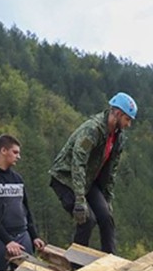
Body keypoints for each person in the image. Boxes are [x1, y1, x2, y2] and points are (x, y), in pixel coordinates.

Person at [48, 92, 137, 254]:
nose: (128, 124)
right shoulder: (92, 129)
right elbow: (78, 163)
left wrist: (107, 200)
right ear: (117, 114)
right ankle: (75, 263)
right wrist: (80, 200)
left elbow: (111, 172)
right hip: (65, 179)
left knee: (106, 219)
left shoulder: (118, 138)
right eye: (127, 119)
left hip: (88, 181)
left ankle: (110, 261)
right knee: (87, 219)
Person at [0, 134, 45, 271]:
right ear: (3, 151)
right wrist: (7, 241)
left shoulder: (17, 178)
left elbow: (26, 209)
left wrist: (34, 236)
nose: (18, 156)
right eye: (15, 152)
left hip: (22, 235)